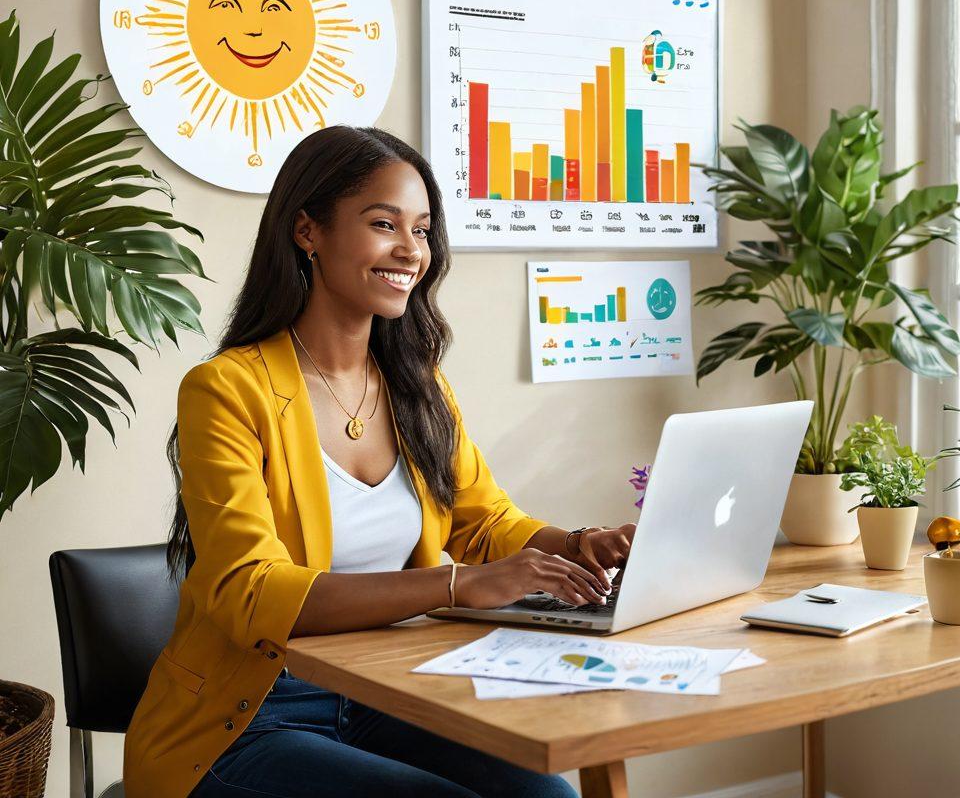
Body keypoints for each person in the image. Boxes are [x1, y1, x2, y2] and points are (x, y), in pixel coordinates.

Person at [123, 125, 636, 798]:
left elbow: (482, 524)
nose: (410, 251)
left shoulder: (418, 385)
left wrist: (574, 546)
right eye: (383, 223)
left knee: (549, 794)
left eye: (422, 230)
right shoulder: (226, 390)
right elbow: (251, 592)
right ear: (308, 230)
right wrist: (455, 586)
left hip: (385, 692)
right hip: (248, 718)